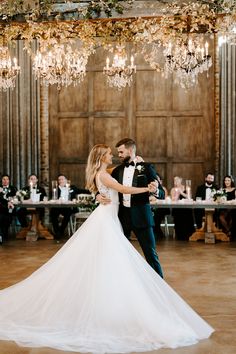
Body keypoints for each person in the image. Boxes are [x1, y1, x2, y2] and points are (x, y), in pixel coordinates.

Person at [0, 143, 214, 352]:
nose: (114, 155)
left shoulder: (119, 169)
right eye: (111, 154)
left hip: (119, 217)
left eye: (118, 152)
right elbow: (119, 188)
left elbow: (124, 180)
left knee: (137, 257)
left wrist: (148, 182)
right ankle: (114, 303)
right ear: (102, 157)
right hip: (110, 219)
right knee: (114, 260)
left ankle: (152, 295)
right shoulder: (108, 173)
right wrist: (140, 189)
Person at [98, 138, 164, 277]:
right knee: (119, 254)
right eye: (117, 152)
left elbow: (161, 193)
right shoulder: (117, 170)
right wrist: (98, 195)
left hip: (142, 217)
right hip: (121, 218)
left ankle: (159, 286)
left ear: (130, 150)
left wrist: (154, 190)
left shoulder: (146, 167)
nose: (119, 155)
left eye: (121, 152)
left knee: (150, 254)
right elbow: (101, 180)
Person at [50, 174, 78, 241]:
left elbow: (81, 191)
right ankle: (57, 231)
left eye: (62, 179)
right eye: (59, 179)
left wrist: (93, 192)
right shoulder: (55, 189)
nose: (61, 180)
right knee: (53, 212)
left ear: (66, 180)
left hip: (67, 207)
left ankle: (61, 231)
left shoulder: (72, 187)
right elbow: (52, 198)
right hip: (58, 207)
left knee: (68, 213)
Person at [170, 176, 195, 240]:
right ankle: (180, 235)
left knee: (188, 212)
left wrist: (181, 192)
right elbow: (173, 200)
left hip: (186, 207)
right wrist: (177, 193)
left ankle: (190, 233)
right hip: (177, 208)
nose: (175, 182)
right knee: (178, 213)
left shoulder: (186, 188)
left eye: (177, 180)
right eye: (174, 181)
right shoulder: (173, 189)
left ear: (180, 180)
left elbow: (189, 198)